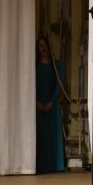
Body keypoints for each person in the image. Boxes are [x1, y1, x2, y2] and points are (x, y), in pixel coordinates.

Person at [35, 37, 65, 173]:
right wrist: (36, 102)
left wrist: (51, 102)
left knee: (52, 136)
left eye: (45, 44)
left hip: (52, 105)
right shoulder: (34, 65)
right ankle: (41, 165)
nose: (43, 47)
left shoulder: (57, 65)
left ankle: (54, 165)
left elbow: (58, 86)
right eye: (40, 45)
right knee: (41, 136)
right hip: (37, 105)